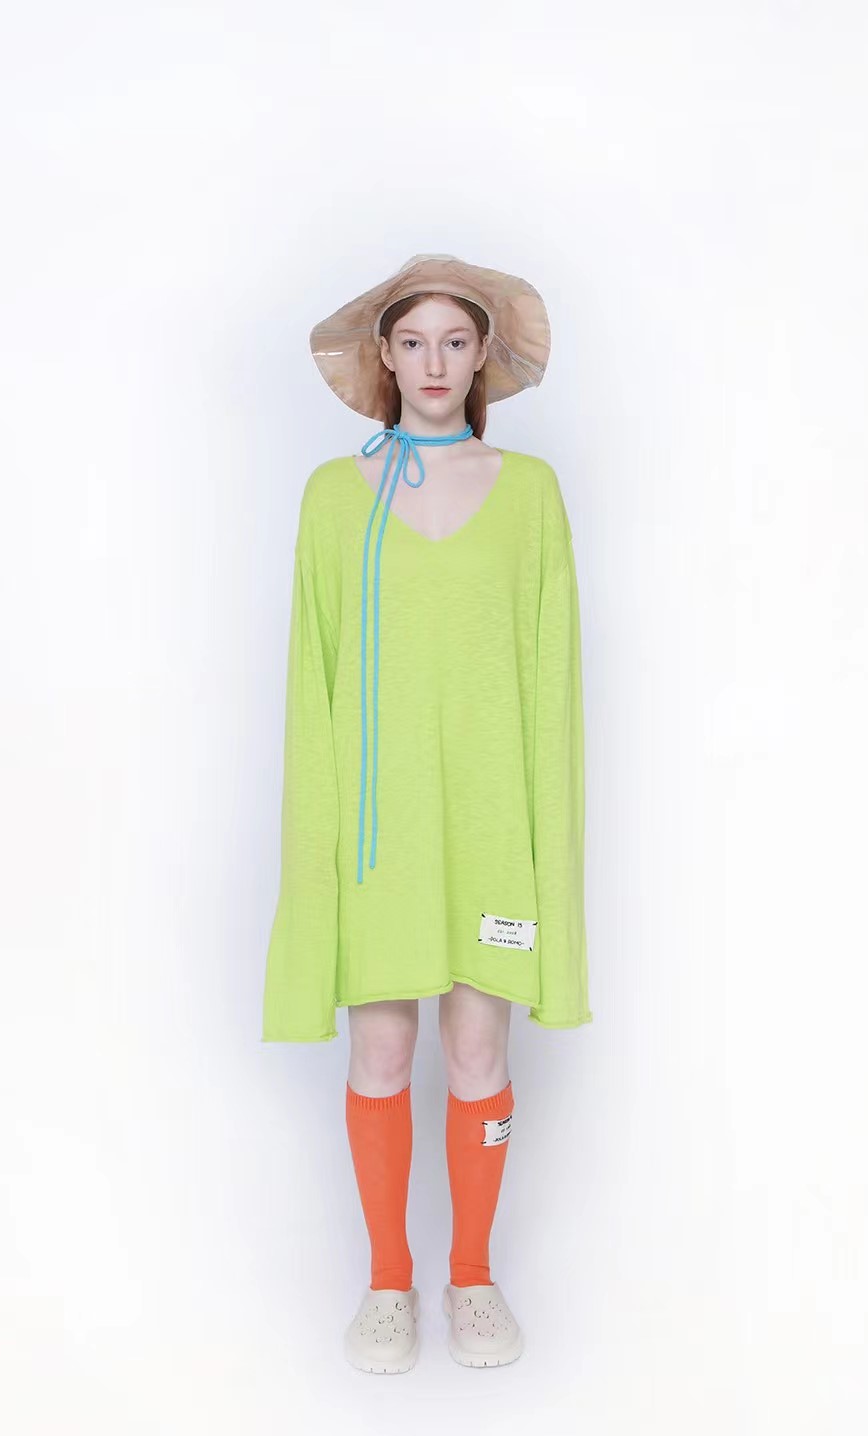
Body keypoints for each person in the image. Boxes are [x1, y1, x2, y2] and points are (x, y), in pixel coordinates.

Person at [262, 253, 592, 1373]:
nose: (435, 363)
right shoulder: (332, 498)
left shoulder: (532, 493)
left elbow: (552, 684)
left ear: (483, 353)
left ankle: (474, 1277)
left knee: (478, 1045)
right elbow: (313, 683)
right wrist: (318, 850)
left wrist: (543, 847)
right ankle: (388, 1284)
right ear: (385, 357)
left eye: (456, 341)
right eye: (414, 343)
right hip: (380, 832)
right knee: (384, 1045)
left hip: (492, 825)